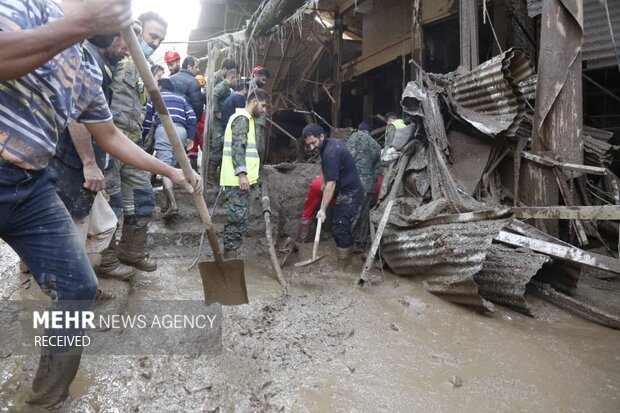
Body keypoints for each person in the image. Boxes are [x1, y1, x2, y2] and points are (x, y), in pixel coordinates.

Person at [0, 0, 201, 409]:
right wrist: (83, 23)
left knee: (78, 287)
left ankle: (46, 401)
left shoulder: (90, 69)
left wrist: (174, 172)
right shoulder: (28, 8)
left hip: (31, 185)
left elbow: (111, 136)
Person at [48, 29, 142, 286]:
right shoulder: (88, 63)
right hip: (72, 162)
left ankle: (81, 286)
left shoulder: (98, 64)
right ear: (112, 34)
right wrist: (90, 164)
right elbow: (76, 117)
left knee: (98, 225)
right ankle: (71, 294)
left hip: (77, 160)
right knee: (74, 233)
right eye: (126, 41)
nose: (128, 49)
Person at [102, 11, 167, 275]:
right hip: (110, 142)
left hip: (132, 144)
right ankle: (105, 261)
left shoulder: (143, 70)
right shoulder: (116, 59)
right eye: (152, 36)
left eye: (161, 40)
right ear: (137, 33)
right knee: (111, 204)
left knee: (143, 198)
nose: (155, 43)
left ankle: (131, 252)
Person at [302, 124, 363, 270]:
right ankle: (346, 259)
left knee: (339, 228)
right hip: (344, 189)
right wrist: (324, 181)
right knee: (340, 226)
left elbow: (331, 185)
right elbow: (329, 172)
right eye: (308, 144)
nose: (311, 148)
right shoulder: (328, 146)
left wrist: (322, 209)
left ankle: (343, 266)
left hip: (351, 192)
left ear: (321, 136)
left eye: (313, 143)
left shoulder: (330, 152)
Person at [219, 89, 270, 258]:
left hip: (239, 179)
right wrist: (242, 174)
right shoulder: (242, 119)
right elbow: (237, 147)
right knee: (236, 217)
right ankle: (230, 256)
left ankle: (231, 254)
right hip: (236, 179)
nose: (264, 110)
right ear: (254, 101)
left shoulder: (246, 120)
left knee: (239, 217)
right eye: (263, 106)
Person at [144, 78, 197, 218]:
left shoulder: (155, 97)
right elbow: (192, 117)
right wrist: (191, 137)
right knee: (172, 166)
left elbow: (148, 119)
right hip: (181, 131)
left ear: (160, 86)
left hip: (164, 130)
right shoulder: (181, 98)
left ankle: (173, 204)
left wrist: (144, 135)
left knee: (166, 168)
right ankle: (165, 203)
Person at [346, 121, 381, 251]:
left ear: (359, 129)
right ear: (370, 131)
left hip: (354, 182)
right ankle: (360, 244)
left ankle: (346, 242)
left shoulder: (356, 137)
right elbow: (377, 171)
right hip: (369, 185)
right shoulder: (376, 146)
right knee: (364, 214)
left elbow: (348, 157)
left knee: (352, 212)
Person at [207, 69, 240, 183]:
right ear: (232, 78)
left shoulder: (228, 88)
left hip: (222, 122)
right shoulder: (222, 86)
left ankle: (217, 176)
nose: (238, 82)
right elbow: (213, 95)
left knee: (222, 147)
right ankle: (210, 177)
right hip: (217, 122)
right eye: (237, 80)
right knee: (217, 147)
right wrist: (216, 111)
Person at [170, 55, 204, 119]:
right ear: (189, 67)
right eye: (196, 67)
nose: (198, 69)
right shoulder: (193, 82)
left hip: (170, 116)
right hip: (185, 118)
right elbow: (197, 105)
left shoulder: (171, 79)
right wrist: (195, 120)